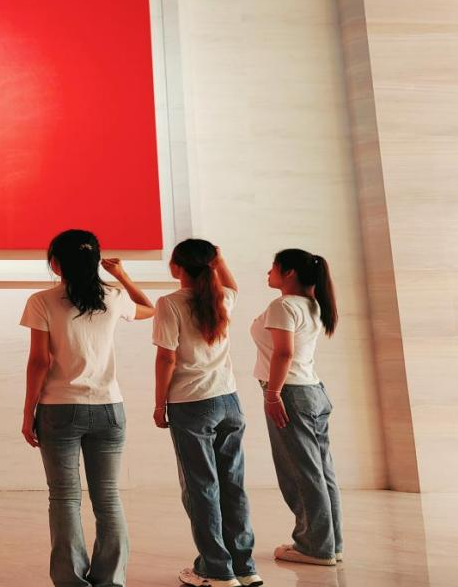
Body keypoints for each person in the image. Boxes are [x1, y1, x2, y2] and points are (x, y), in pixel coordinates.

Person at [20, 229, 154, 587]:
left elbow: (39, 362)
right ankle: (110, 580)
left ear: (55, 264)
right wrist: (122, 275)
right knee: (108, 497)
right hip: (110, 408)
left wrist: (28, 412)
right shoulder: (114, 297)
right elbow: (150, 309)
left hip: (59, 409)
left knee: (65, 497)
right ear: (96, 261)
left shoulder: (41, 301)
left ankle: (71, 580)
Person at [153, 239, 261, 587]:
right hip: (229, 401)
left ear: (177, 267)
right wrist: (220, 258)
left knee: (201, 488)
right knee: (233, 485)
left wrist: (159, 403)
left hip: (191, 403)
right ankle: (245, 568)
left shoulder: (170, 303)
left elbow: (166, 358)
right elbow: (233, 286)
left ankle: (216, 569)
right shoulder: (222, 298)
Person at [250, 249, 342, 566]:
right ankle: (331, 544)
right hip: (313, 390)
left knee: (300, 474)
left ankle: (314, 546)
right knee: (321, 472)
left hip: (290, 394)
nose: (268, 272)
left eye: (273, 267)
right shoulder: (312, 304)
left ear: (289, 273)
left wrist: (273, 394)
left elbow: (283, 353)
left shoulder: (283, 305)